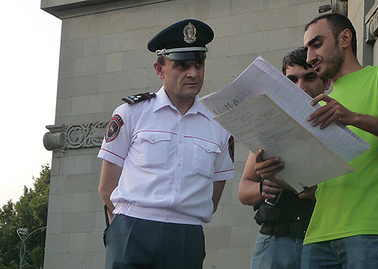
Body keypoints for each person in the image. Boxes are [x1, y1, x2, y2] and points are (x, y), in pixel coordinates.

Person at [97, 19, 235, 269]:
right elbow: (107, 188)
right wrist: (124, 228)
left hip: (187, 235)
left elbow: (213, 197)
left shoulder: (219, 124)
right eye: (182, 65)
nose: (193, 73)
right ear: (160, 70)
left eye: (198, 64)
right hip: (133, 228)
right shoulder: (132, 113)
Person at [299, 13, 378, 269]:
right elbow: (314, 188)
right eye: (307, 49)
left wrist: (353, 117)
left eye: (317, 44)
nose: (310, 58)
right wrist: (281, 174)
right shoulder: (322, 101)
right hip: (317, 235)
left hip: (370, 231)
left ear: (345, 38)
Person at [238, 47, 332, 269]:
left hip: (322, 238)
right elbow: (243, 189)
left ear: (326, 82)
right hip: (275, 237)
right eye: (292, 79)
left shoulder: (337, 123)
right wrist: (262, 189)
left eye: (309, 78)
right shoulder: (270, 126)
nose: (301, 87)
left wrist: (318, 191)